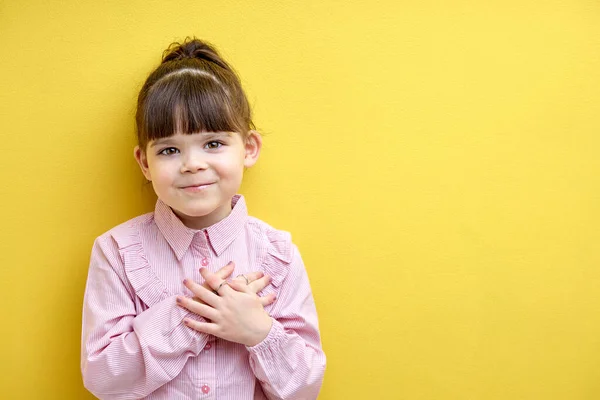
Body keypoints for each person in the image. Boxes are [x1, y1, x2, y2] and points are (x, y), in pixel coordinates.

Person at [80, 37, 326, 399]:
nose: (193, 163)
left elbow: (305, 389)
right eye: (169, 149)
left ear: (249, 148)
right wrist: (190, 319)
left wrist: (258, 330)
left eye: (213, 144)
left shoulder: (278, 253)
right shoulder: (116, 251)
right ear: (145, 163)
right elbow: (103, 379)